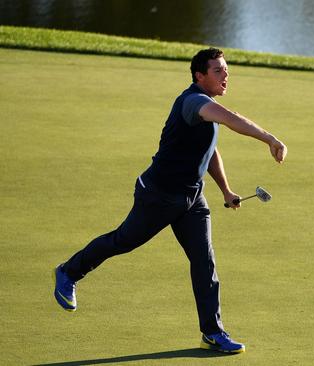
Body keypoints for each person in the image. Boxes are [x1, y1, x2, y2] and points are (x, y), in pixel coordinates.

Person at [52, 48, 287, 354]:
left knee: (204, 262)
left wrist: (226, 191)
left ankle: (212, 333)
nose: (226, 74)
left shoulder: (208, 109)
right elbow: (231, 119)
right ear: (199, 76)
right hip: (159, 195)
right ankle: (69, 272)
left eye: (226, 69)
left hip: (192, 198)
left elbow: (209, 152)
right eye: (218, 70)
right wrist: (270, 138)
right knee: (123, 241)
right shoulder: (194, 102)